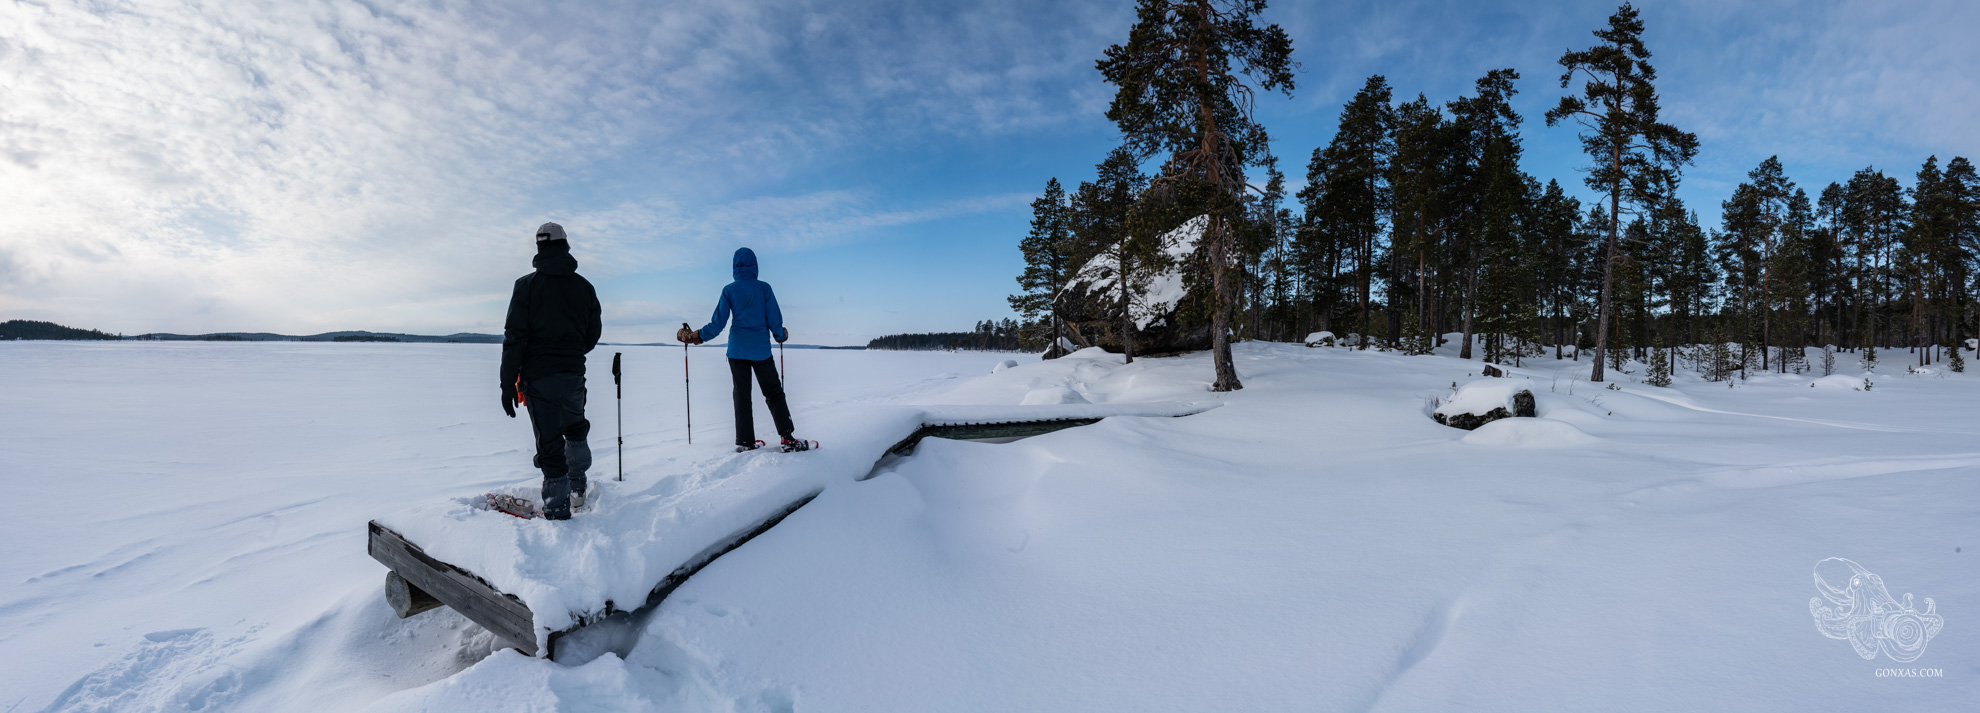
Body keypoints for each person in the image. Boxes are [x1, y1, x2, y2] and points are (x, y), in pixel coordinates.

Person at [500, 222, 602, 520]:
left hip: (539, 377)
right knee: (575, 428)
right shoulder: (584, 287)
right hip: (572, 374)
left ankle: (557, 507)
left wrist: (507, 383)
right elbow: (592, 334)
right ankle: (577, 488)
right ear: (565, 246)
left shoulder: (526, 286)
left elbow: (514, 338)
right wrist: (571, 354)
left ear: (539, 248)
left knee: (550, 442)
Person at [677, 247, 808, 452]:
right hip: (760, 351)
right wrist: (780, 335)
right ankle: (787, 438)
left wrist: (697, 337)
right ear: (754, 265)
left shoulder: (729, 290)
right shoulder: (764, 288)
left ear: (734, 266)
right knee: (774, 393)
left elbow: (717, 323)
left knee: (742, 395)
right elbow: (774, 319)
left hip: (737, 351)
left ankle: (745, 442)